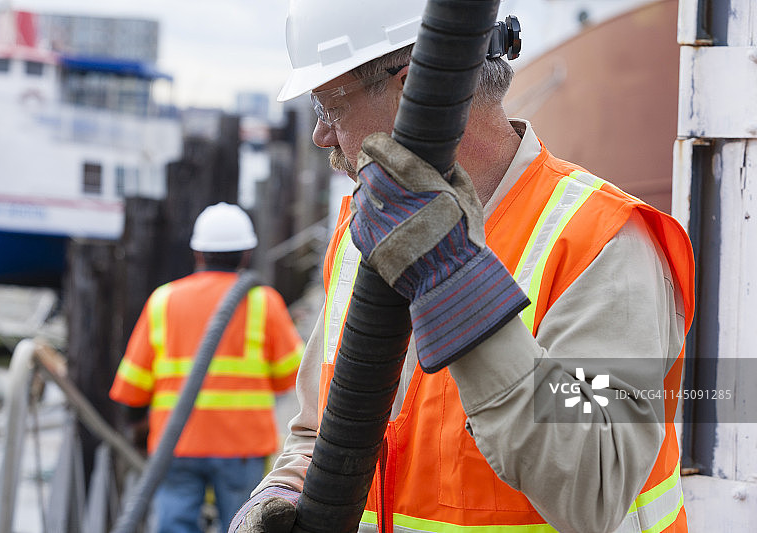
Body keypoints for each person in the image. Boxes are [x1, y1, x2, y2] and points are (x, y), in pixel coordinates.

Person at [230, 1, 694, 532]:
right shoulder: (363, 228)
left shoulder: (603, 241)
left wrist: (456, 284)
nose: (322, 135)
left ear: (413, 88)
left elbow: (595, 487)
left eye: (328, 106)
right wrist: (279, 493)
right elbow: (320, 428)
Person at [110, 202, 304, 533]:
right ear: (246, 253)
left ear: (198, 252)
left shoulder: (164, 299)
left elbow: (133, 383)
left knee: (173, 525)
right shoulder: (262, 300)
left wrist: (138, 427)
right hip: (241, 444)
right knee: (244, 525)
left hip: (177, 443)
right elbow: (292, 375)